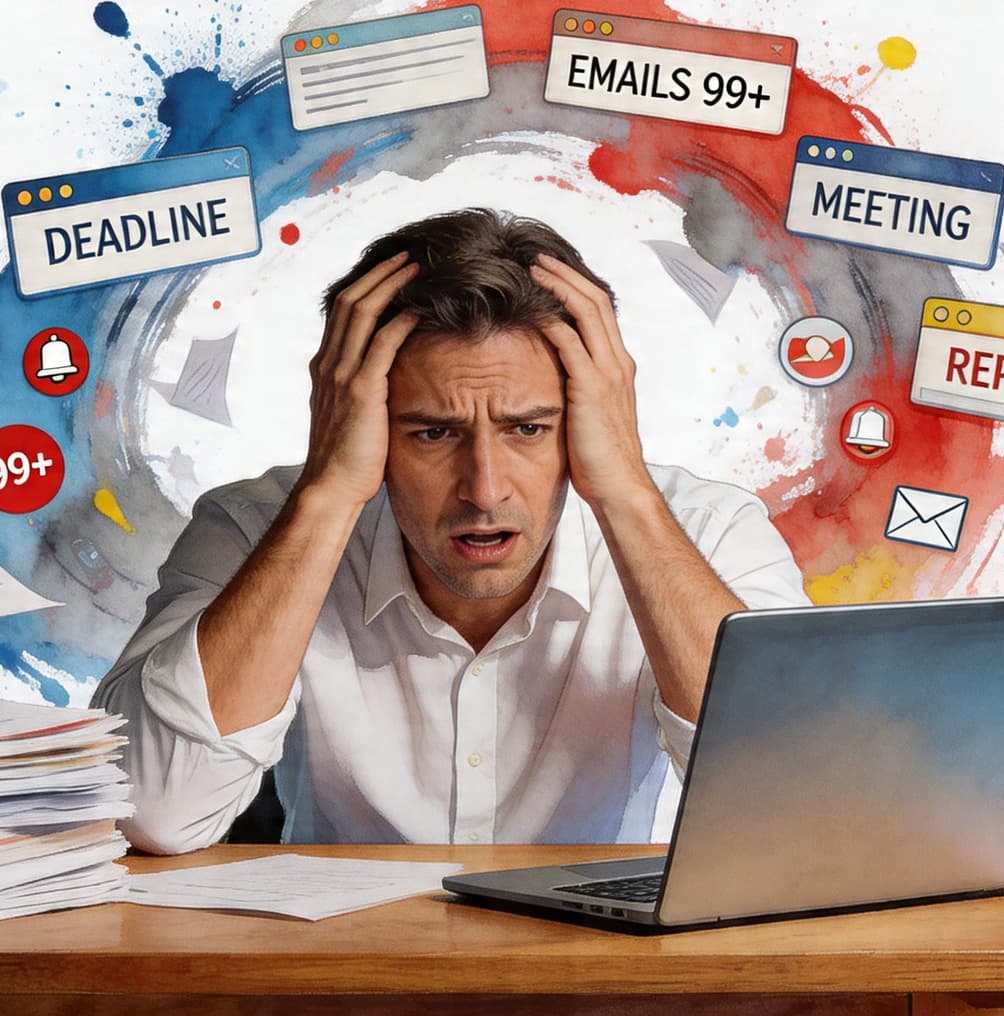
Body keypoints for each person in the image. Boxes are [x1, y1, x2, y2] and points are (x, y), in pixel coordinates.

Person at [92, 207, 807, 854]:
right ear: (362, 422)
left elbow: (793, 801)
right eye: (434, 432)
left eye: (528, 428)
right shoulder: (256, 528)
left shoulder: (708, 533)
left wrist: (623, 492)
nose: (485, 488)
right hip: (343, 983)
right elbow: (152, 810)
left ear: (593, 417)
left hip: (602, 986)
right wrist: (328, 492)